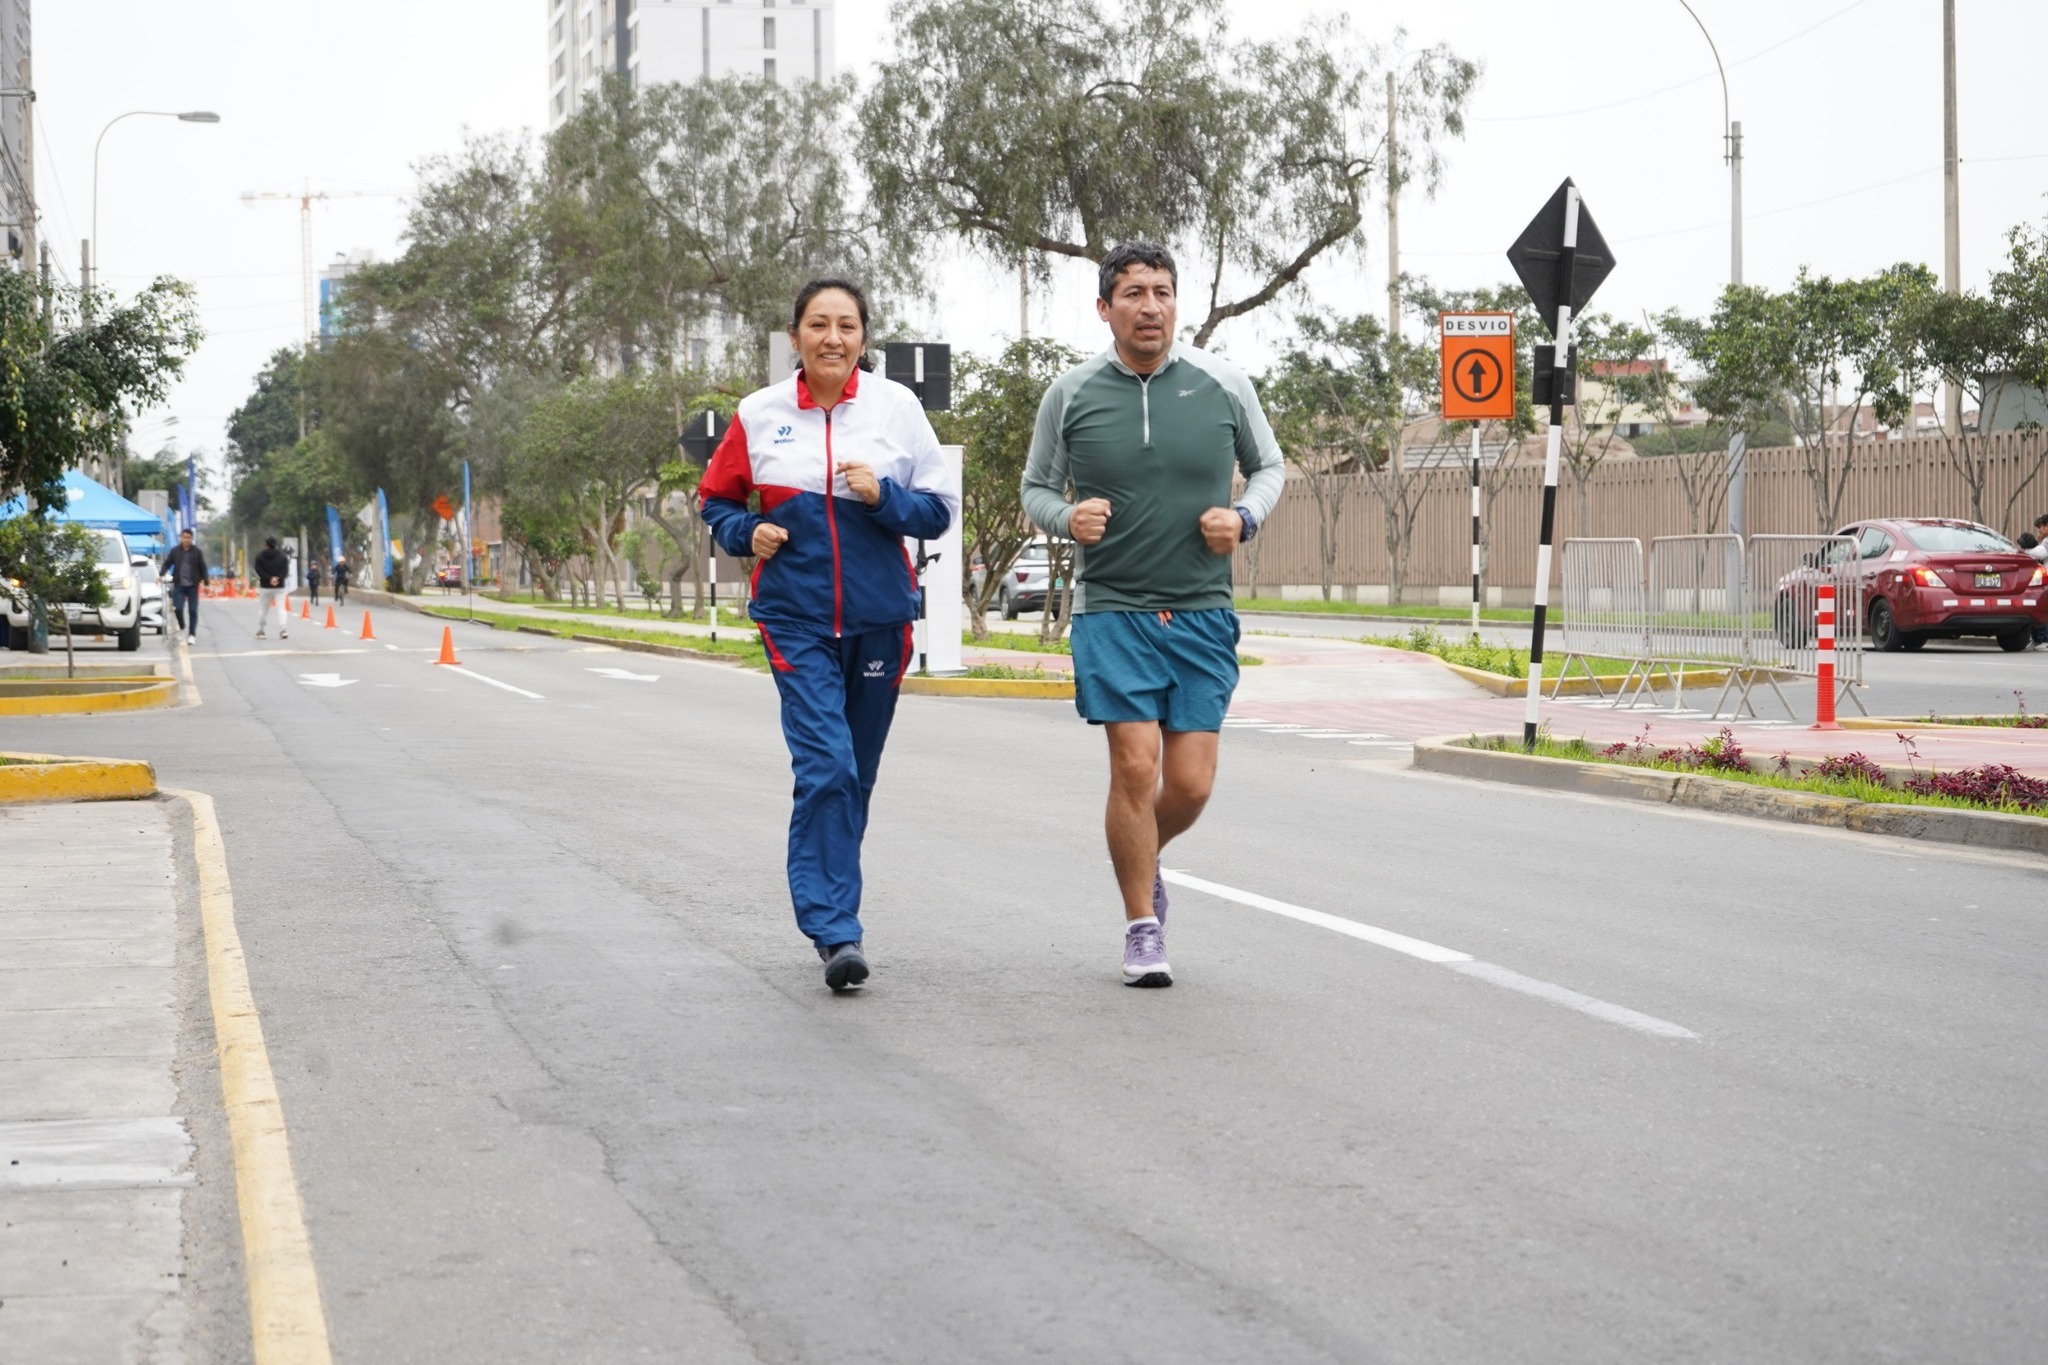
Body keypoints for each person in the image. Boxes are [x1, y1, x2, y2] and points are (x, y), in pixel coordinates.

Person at [1021, 241, 1285, 988]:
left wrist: (1244, 518)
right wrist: (1066, 517)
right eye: (1133, 292)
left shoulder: (1222, 383)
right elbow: (1036, 486)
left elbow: (1271, 467)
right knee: (1135, 766)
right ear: (1105, 308)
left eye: (1163, 291)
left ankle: (1139, 850)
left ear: (1178, 304)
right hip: (1113, 607)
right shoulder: (1070, 393)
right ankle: (1142, 925)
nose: (1150, 306)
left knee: (1192, 784)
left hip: (1201, 608)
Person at [698, 277, 958, 991]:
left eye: (846, 325)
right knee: (828, 768)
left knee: (856, 776)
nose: (833, 338)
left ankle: (832, 899)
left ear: (864, 339)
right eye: (819, 324)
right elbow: (715, 499)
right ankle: (835, 930)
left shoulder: (896, 410)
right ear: (796, 337)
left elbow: (937, 511)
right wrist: (748, 530)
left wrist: (884, 497)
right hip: (796, 617)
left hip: (879, 620)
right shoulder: (760, 414)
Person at [160, 528, 207, 646]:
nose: (186, 540)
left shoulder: (197, 552)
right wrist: (161, 574)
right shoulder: (175, 551)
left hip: (193, 585)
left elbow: (203, 567)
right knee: (178, 608)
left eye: (189, 538)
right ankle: (182, 627)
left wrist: (206, 582)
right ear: (181, 538)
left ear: (192, 539)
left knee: (193, 611)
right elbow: (167, 563)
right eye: (184, 537)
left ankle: (192, 634)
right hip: (179, 585)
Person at [252, 537, 291, 640]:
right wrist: (277, 578)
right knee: (281, 608)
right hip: (280, 587)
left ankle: (261, 631)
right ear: (276, 544)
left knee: (263, 609)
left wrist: (269, 578)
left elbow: (258, 569)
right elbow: (285, 571)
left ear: (266, 545)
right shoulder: (283, 556)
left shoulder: (260, 556)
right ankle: (283, 630)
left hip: (265, 586)